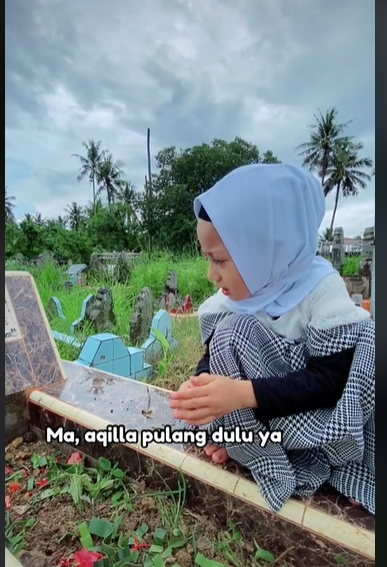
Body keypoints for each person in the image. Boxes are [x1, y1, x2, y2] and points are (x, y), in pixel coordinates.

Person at [169, 163, 375, 515]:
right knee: (229, 333)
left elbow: (329, 382)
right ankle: (248, 446)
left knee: (372, 342)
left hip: (328, 415)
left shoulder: (320, 290)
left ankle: (349, 464)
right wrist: (203, 389)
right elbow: (214, 359)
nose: (210, 274)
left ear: (264, 250)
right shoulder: (232, 300)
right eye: (207, 259)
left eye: (219, 259)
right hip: (275, 415)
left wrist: (241, 394)